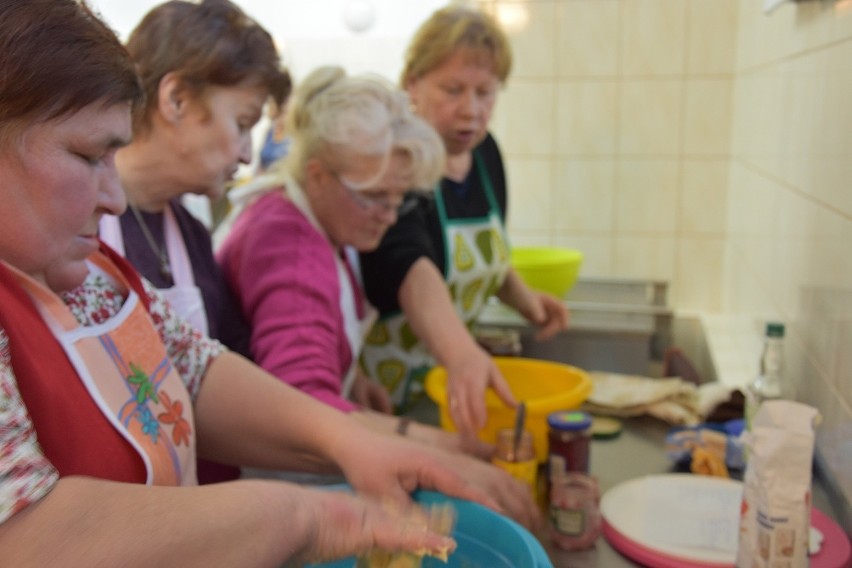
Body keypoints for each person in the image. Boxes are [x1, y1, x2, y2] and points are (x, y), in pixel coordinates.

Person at [0, 1, 528, 564]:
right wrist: (304, 516)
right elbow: (24, 530)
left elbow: (192, 369)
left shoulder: (85, 272)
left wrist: (352, 442)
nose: (115, 199)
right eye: (87, 155)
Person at [217, 67, 494, 460]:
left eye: (399, 199)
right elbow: (304, 408)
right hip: (263, 475)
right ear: (318, 176)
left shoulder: (318, 216)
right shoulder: (289, 247)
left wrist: (352, 376)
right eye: (375, 197)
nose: (389, 216)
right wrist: (441, 449)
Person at [97, 0, 292, 483]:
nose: (248, 155)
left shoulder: (191, 236)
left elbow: (230, 377)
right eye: (243, 123)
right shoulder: (71, 229)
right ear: (177, 98)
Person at [359, 6, 570, 438]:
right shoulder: (397, 160)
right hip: (378, 400)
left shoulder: (486, 154)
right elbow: (410, 268)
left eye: (485, 92)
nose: (471, 110)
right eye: (452, 90)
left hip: (450, 391)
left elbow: (490, 254)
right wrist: (461, 353)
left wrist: (523, 298)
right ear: (412, 82)